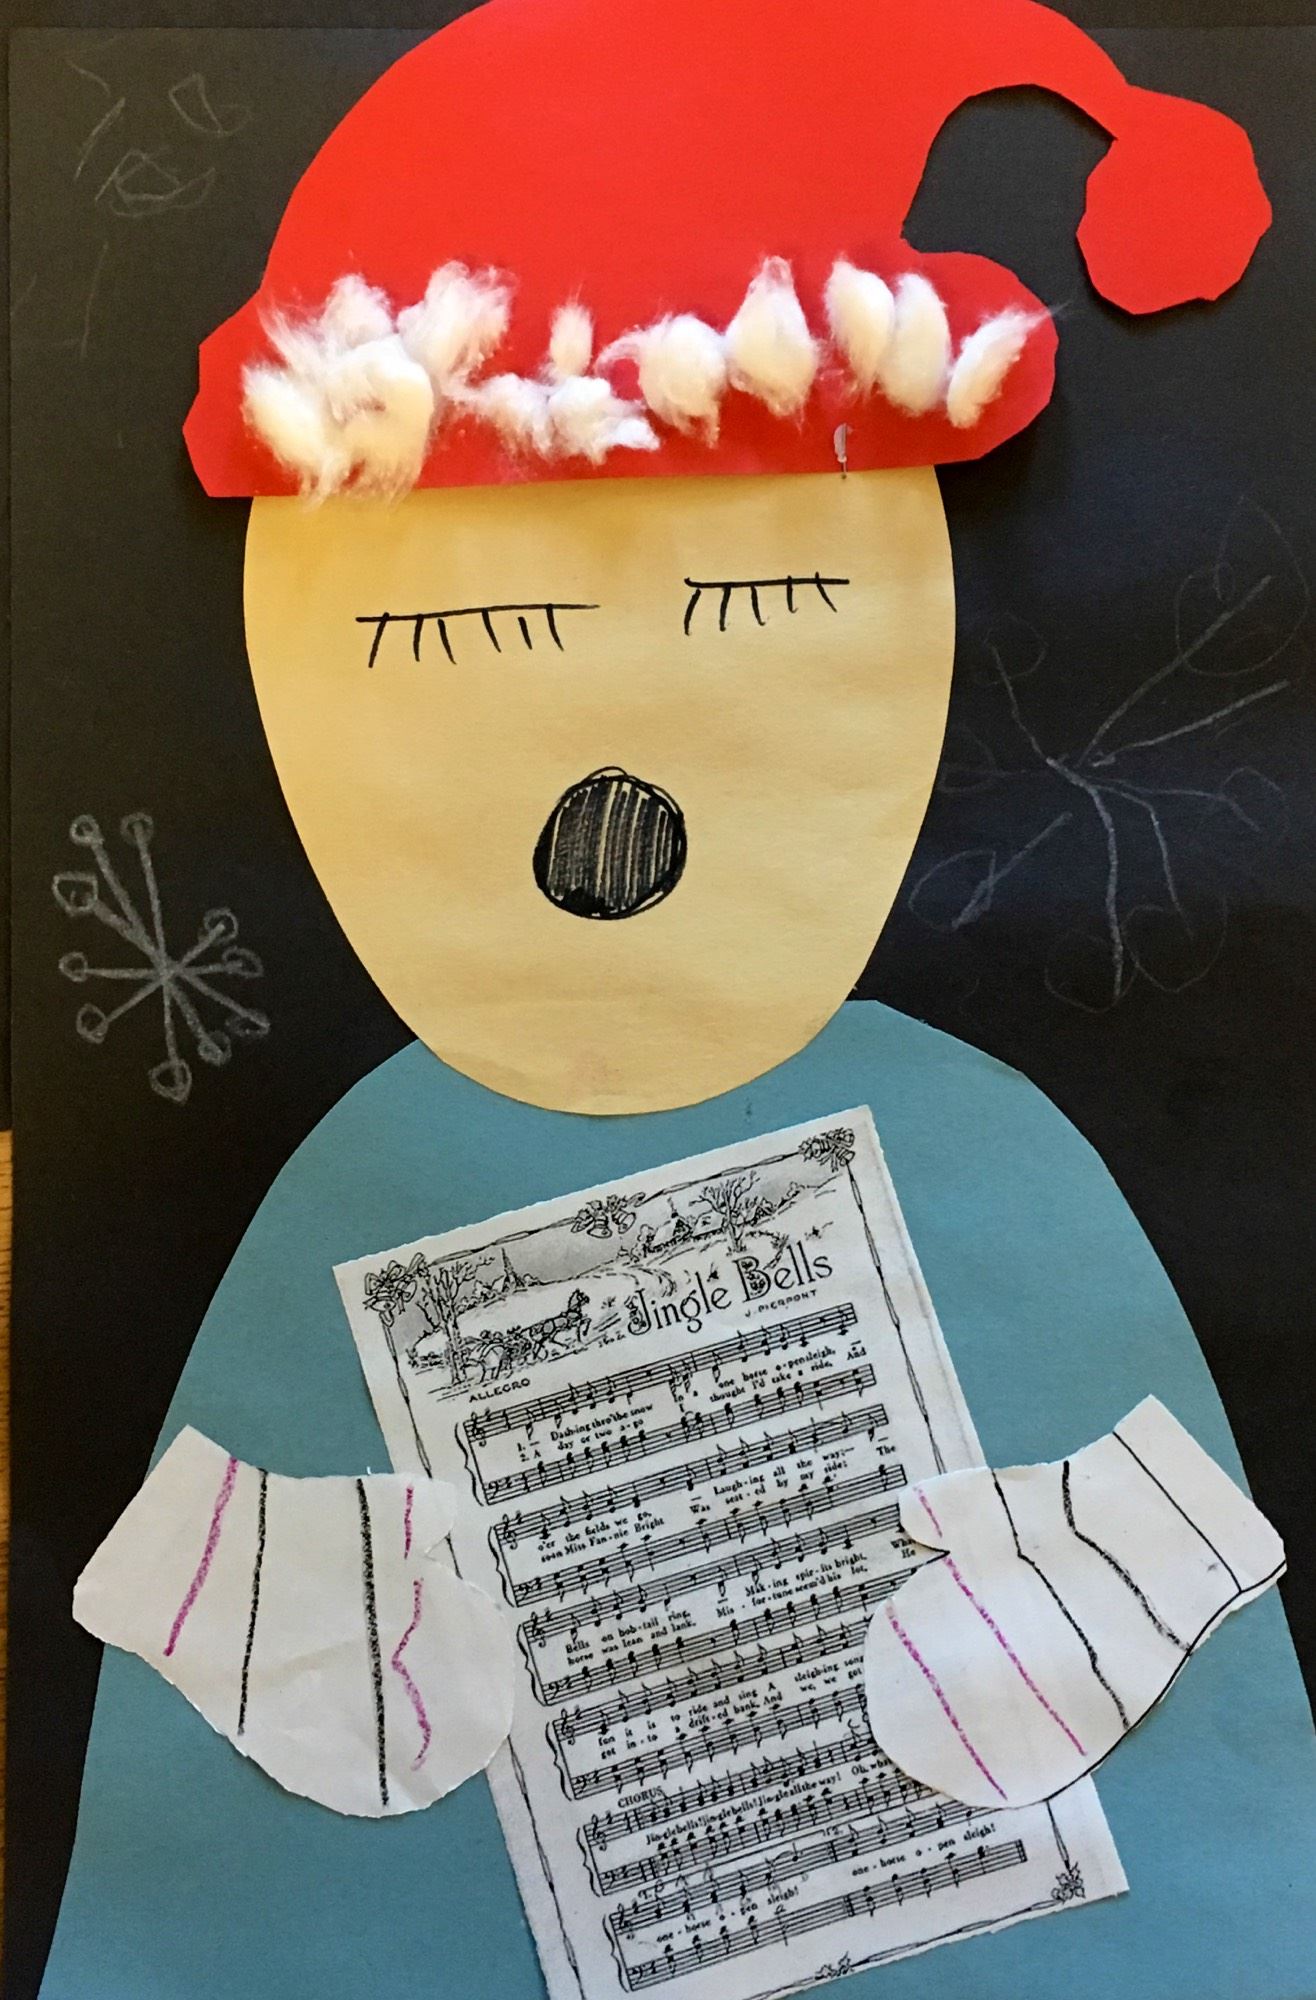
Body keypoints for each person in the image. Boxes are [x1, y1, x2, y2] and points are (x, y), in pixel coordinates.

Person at [39, 2, 1316, 1996]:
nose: (608, 805)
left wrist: (1106, 1583)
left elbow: (1214, 1752)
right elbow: (201, 1846)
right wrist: (289, 1627)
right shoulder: (348, 1195)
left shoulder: (992, 1155)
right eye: (453, 636)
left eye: (765, 612)